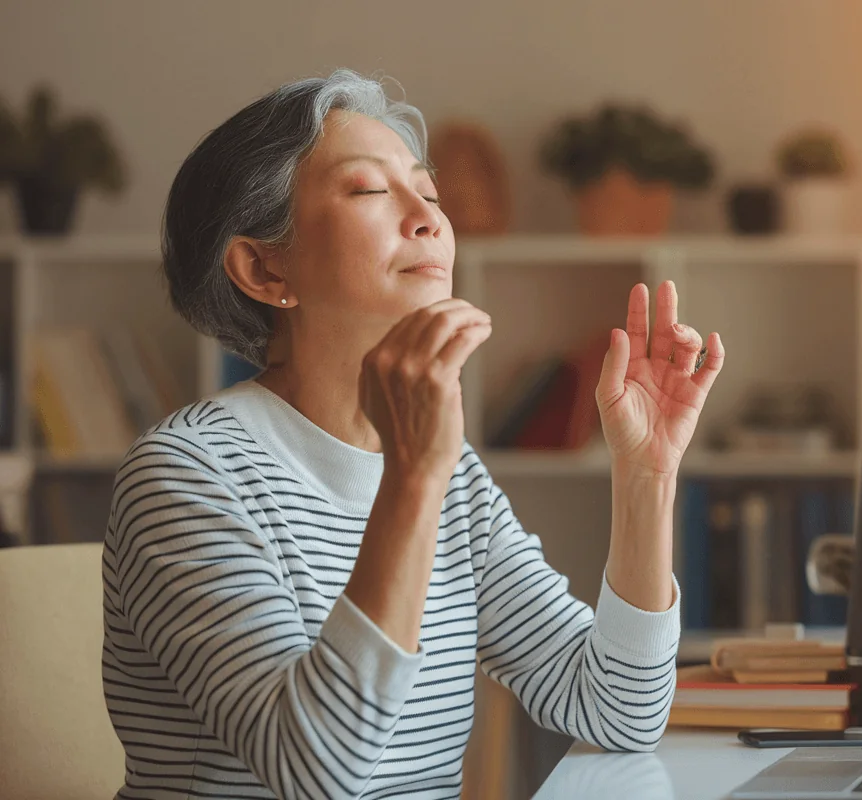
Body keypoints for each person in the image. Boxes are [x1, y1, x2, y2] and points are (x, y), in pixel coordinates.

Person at [101, 68, 724, 800]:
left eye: (429, 194)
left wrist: (646, 478)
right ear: (265, 268)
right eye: (369, 190)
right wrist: (413, 476)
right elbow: (318, 772)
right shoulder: (184, 475)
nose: (428, 218)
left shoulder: (448, 474)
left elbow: (617, 709)